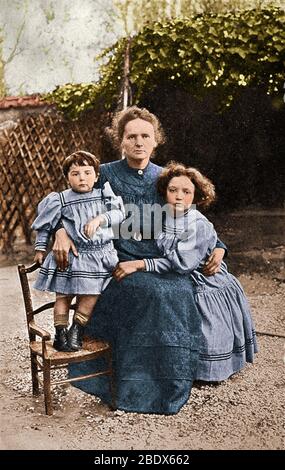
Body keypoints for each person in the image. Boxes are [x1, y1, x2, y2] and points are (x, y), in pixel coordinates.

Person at [52, 106, 226, 414]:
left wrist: (219, 247)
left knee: (178, 290)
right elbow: (68, 205)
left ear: (156, 140)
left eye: (145, 135)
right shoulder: (102, 173)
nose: (138, 142)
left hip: (164, 261)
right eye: (131, 136)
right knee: (151, 293)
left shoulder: (167, 177)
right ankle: (136, 386)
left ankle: (173, 378)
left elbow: (194, 218)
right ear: (120, 141)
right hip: (114, 264)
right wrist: (61, 234)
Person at [142, 161, 257, 381]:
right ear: (164, 192)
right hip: (180, 273)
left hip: (204, 277)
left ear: (196, 197)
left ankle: (208, 369)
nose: (178, 196)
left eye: (186, 192)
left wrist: (144, 264)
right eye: (173, 190)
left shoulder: (196, 222)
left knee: (206, 327)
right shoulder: (164, 216)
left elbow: (183, 263)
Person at [31, 151, 125, 352]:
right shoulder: (61, 199)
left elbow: (119, 213)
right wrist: (40, 248)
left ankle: (77, 330)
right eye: (75, 173)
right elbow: (45, 225)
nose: (82, 178)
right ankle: (60, 333)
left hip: (97, 256)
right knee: (63, 296)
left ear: (96, 176)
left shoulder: (103, 194)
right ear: (67, 177)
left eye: (87, 172)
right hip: (71, 257)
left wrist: (100, 219)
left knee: (90, 295)